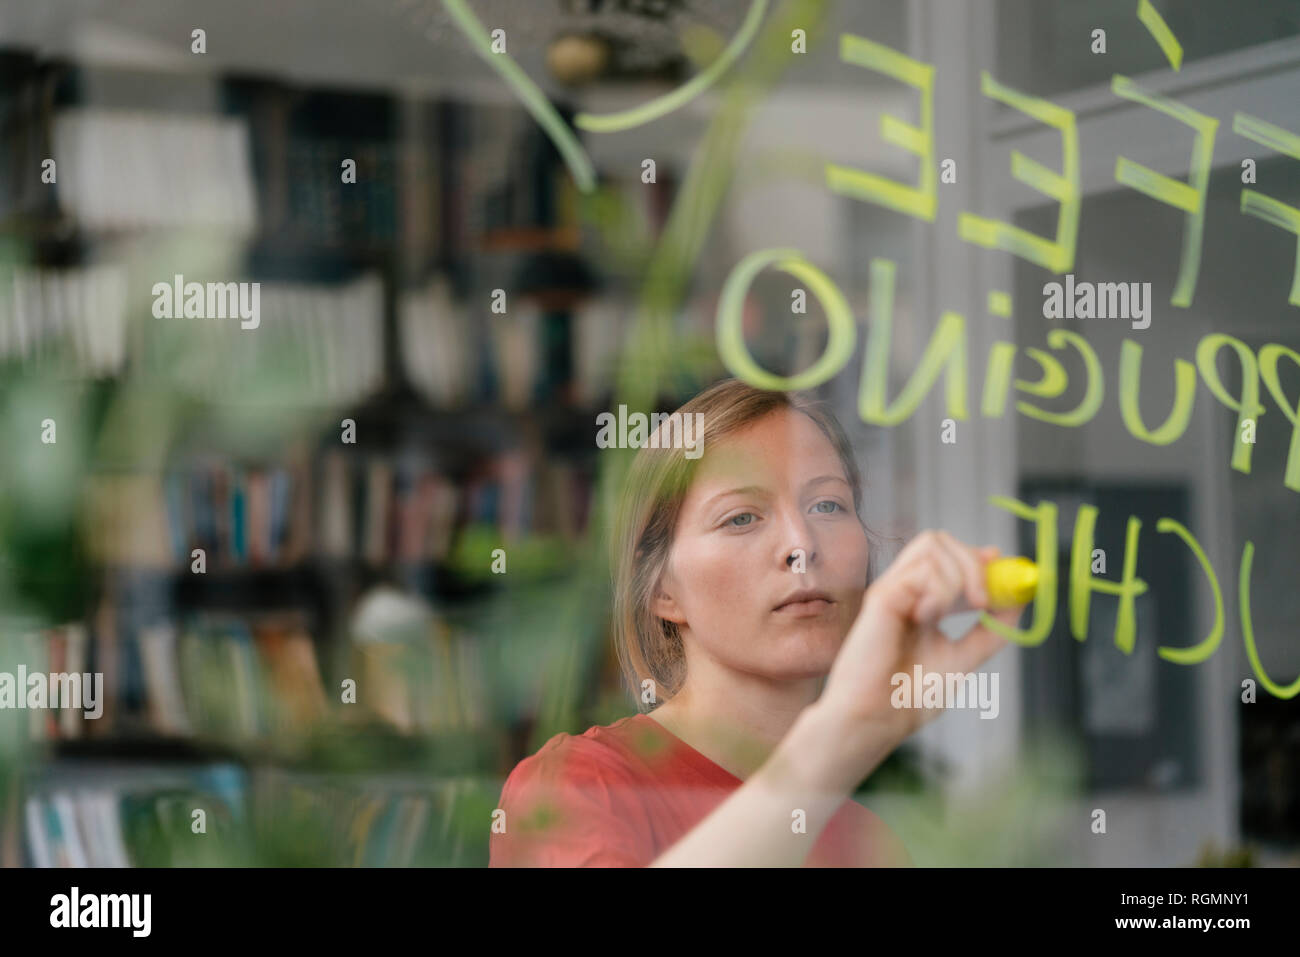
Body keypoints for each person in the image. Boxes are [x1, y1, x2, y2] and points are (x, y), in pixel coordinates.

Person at [489, 378, 1023, 867]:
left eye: (829, 506)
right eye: (740, 517)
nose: (801, 546)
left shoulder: (873, 842)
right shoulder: (578, 785)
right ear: (660, 590)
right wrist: (850, 728)